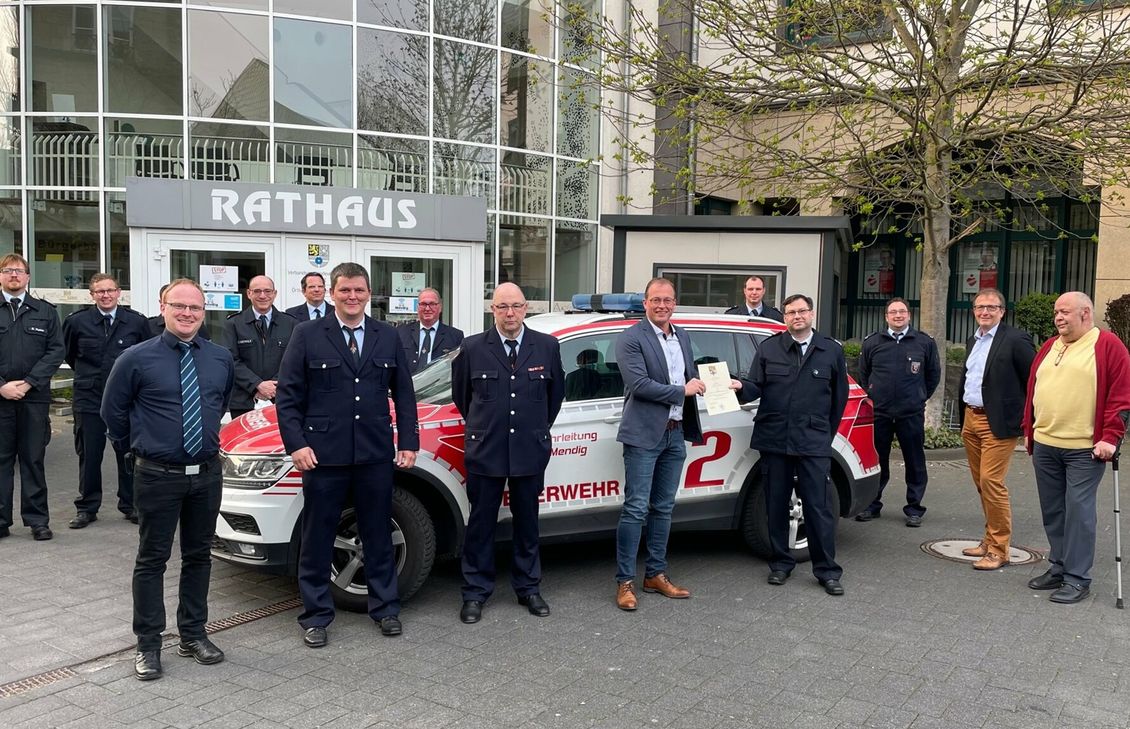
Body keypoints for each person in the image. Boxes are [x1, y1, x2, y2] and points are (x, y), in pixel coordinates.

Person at [275, 262, 419, 648]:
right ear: (332, 293)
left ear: (368, 293)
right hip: (323, 456)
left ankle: (385, 608)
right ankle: (316, 615)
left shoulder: (386, 336)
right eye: (344, 291)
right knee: (318, 536)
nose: (352, 297)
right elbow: (288, 397)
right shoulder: (307, 334)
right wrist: (296, 444)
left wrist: (409, 441)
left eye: (358, 290)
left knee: (377, 533)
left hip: (374, 454)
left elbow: (403, 393)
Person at [102, 278, 234, 681]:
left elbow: (220, 403)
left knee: (198, 557)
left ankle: (193, 634)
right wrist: (143, 448)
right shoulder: (136, 359)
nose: (187, 313)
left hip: (207, 475)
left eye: (195, 307)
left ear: (203, 311)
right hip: (157, 476)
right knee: (152, 560)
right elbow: (113, 414)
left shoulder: (220, 358)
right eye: (179, 306)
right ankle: (148, 644)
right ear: (163, 307)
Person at [452, 282, 565, 624]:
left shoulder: (546, 346)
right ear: (493, 310)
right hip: (486, 449)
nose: (510, 313)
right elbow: (462, 398)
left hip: (529, 449)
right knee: (481, 524)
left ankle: (528, 588)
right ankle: (475, 592)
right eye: (502, 307)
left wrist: (535, 429)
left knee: (527, 523)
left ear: (526, 307)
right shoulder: (472, 348)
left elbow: (554, 396)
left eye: (515, 306)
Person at [734, 294, 848, 595]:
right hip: (775, 439)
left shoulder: (830, 351)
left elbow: (839, 399)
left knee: (818, 507)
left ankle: (827, 571)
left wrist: (824, 434)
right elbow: (754, 387)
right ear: (784, 317)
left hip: (813, 441)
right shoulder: (770, 348)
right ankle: (781, 564)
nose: (796, 316)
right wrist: (737, 387)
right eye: (790, 312)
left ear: (811, 314)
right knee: (776, 503)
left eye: (802, 311)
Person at [1022, 292, 1130, 604]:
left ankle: (1077, 578)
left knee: (1079, 512)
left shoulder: (1108, 346)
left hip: (1085, 449)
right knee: (1053, 510)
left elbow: (1121, 398)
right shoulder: (1049, 345)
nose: (1057, 317)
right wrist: (1028, 429)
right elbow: (1033, 389)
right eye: (1056, 312)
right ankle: (1059, 565)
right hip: (1046, 444)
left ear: (1085, 313)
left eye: (1064, 312)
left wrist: (1111, 437)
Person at [613, 277, 705, 611]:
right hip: (643, 435)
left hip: (675, 433)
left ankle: (655, 574)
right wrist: (683, 390)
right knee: (636, 508)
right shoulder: (630, 338)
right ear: (645, 303)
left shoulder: (682, 335)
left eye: (667, 300)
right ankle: (625, 581)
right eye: (656, 300)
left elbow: (691, 375)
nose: (662, 305)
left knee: (664, 507)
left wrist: (720, 384)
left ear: (674, 303)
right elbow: (640, 385)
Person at [62, 273, 152, 528]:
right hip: (89, 399)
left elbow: (145, 358)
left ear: (118, 292)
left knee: (128, 454)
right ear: (92, 295)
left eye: (110, 290)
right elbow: (69, 355)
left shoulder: (135, 322)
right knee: (89, 455)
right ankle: (87, 507)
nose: (105, 295)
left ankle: (130, 504)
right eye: (99, 291)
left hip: (126, 401)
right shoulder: (77, 322)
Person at [957, 288, 1035, 570]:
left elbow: (1033, 380)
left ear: (1002, 311)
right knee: (981, 484)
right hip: (970, 419)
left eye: (991, 307)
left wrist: (1029, 422)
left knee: (992, 482)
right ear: (974, 311)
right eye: (980, 307)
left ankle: (999, 549)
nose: (985, 312)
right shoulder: (973, 340)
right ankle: (988, 540)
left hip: (998, 422)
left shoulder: (1016, 340)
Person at [855, 297, 941, 527]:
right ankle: (872, 505)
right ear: (886, 317)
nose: (898, 316)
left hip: (910, 413)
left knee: (914, 462)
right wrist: (873, 397)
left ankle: (914, 508)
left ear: (909, 315)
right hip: (879, 413)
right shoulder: (873, 342)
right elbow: (864, 374)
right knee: (876, 461)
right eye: (893, 312)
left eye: (902, 312)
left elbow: (933, 376)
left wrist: (919, 397)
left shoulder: (924, 342)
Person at [0, 254, 64, 542]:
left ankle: (37, 520)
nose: (14, 275)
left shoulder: (45, 312)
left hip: (33, 398)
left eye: (19, 271)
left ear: (27, 277)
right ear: (1, 276)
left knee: (33, 459)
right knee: (1, 461)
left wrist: (26, 384)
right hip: (0, 399)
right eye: (8, 270)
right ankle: (1, 521)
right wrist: (1, 387)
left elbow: (55, 352)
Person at [221, 275, 297, 419]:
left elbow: (294, 361)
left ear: (274, 294)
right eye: (257, 291)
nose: (263, 296)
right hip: (243, 401)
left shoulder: (291, 324)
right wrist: (257, 385)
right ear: (249, 294)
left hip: (282, 400)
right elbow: (230, 360)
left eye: (267, 291)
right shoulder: (234, 324)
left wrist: (273, 387)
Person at [397, 287, 464, 374]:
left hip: (439, 386)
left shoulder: (455, 336)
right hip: (407, 385)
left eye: (432, 304)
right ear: (417, 307)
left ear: (440, 307)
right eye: (423, 304)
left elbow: (459, 369)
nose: (427, 308)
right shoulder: (401, 333)